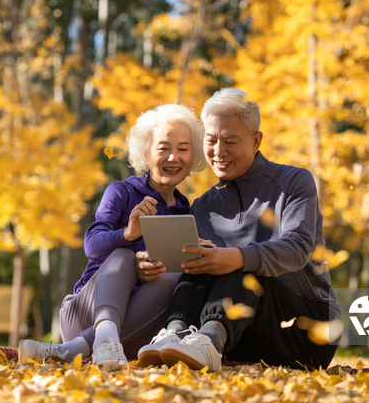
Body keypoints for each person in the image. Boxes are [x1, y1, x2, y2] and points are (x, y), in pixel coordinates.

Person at [137, 88, 341, 371]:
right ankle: (176, 333)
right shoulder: (202, 206)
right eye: (211, 140)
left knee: (241, 268)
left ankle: (209, 340)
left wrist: (236, 258)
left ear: (256, 141)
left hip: (307, 333)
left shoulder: (295, 182)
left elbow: (298, 248)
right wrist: (151, 267)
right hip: (239, 338)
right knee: (197, 264)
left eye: (230, 141)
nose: (219, 152)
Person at [19, 103, 206, 369]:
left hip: (137, 332)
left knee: (179, 272)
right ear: (146, 153)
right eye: (163, 148)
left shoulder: (185, 210)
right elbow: (92, 246)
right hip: (86, 314)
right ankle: (98, 338)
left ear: (193, 155)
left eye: (183, 149)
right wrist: (128, 235)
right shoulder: (121, 192)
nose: (173, 157)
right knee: (123, 256)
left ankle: (71, 350)